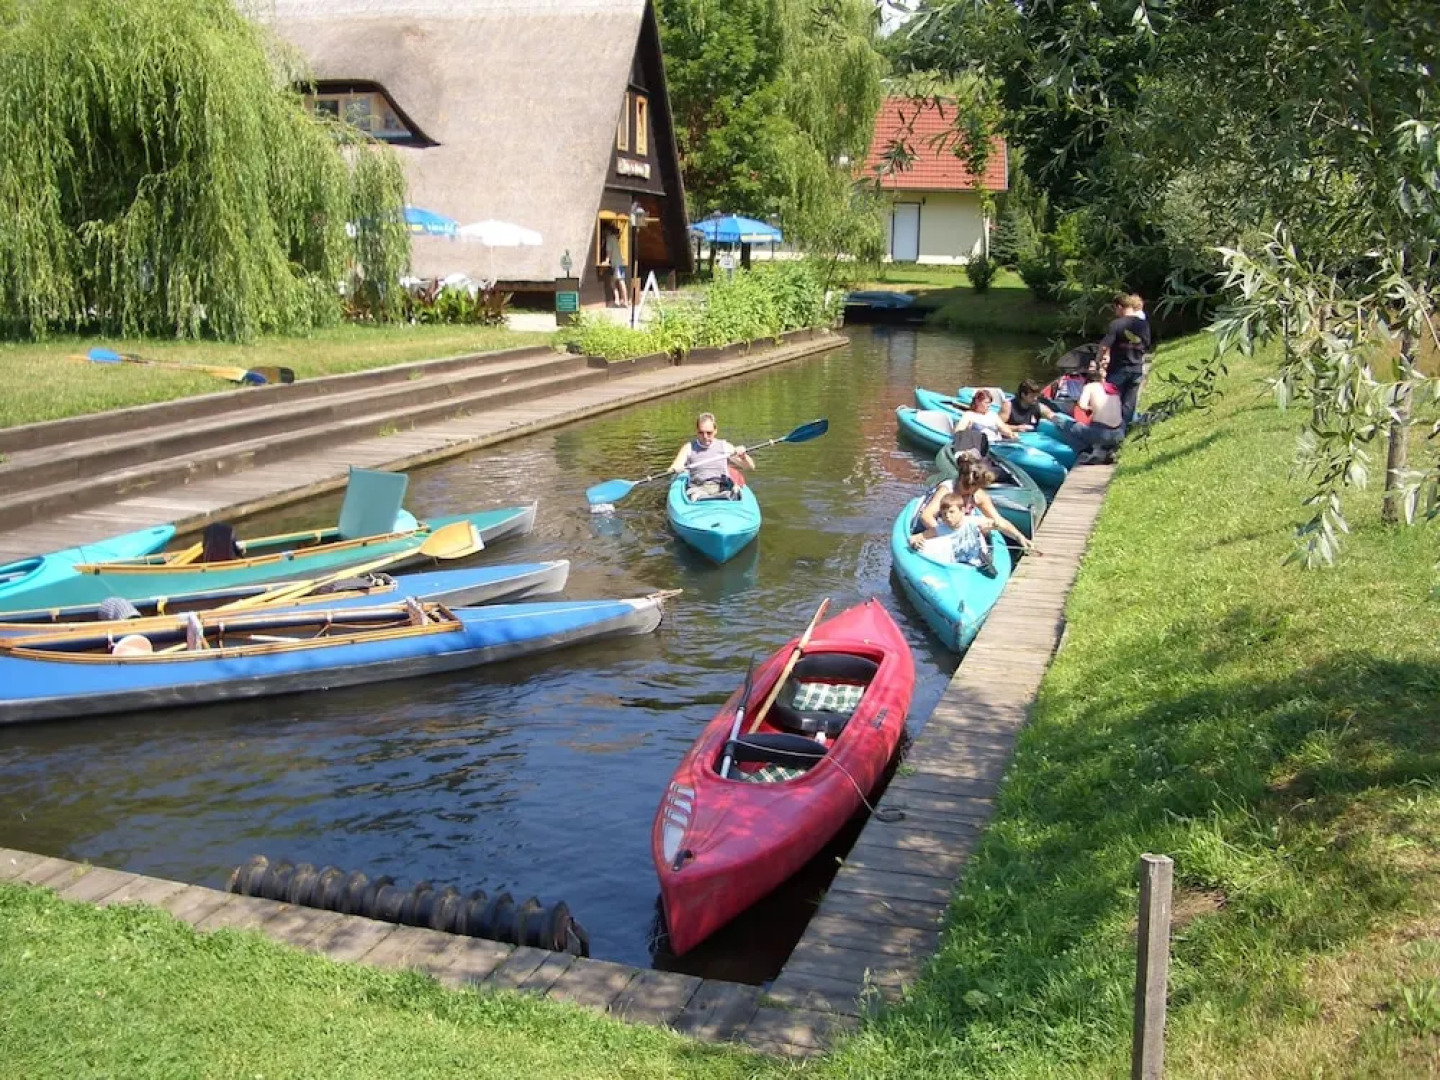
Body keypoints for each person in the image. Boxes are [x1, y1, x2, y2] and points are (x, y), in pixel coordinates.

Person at [915, 455, 1036, 556]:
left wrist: (1019, 536)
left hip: (960, 529)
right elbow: (927, 516)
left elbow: (998, 520)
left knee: (985, 527)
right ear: (960, 478)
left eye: (974, 488)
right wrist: (946, 533)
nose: (969, 492)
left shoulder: (978, 496)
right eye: (966, 487)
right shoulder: (947, 489)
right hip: (940, 527)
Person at [1046, 365, 1126, 463]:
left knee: (1066, 425)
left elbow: (1082, 405)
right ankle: (1107, 451)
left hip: (1101, 434)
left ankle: (1084, 452)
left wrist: (1090, 408)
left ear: (1086, 381)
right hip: (1120, 433)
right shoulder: (1112, 388)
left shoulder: (1089, 386)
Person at [908, 491, 997, 576]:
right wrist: (916, 542)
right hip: (955, 564)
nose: (947, 516)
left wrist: (990, 526)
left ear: (962, 511)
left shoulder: (972, 521)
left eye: (951, 512)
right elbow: (914, 538)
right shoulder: (940, 529)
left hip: (976, 562)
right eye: (944, 514)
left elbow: (994, 523)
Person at [669, 412, 755, 499]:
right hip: (698, 489)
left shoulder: (725, 447)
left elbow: (750, 467)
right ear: (697, 431)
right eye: (701, 433)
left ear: (715, 430)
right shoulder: (689, 448)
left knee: (734, 492)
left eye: (709, 433)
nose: (705, 436)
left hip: (722, 488)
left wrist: (744, 457)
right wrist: (675, 468)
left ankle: (730, 497)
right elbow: (674, 466)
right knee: (697, 496)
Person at [1096, 292, 1151, 426]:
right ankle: (1123, 430)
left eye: (1115, 308)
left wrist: (1098, 361)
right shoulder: (1144, 324)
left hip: (1118, 369)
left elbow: (1104, 346)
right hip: (1137, 368)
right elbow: (1147, 344)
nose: (1116, 312)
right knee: (1129, 403)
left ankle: (1111, 431)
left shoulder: (1116, 324)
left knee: (1112, 401)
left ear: (1120, 306)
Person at [953, 389, 1027, 441]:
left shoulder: (992, 415)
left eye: (990, 403)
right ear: (977, 402)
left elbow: (1004, 429)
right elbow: (958, 431)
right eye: (986, 403)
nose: (988, 405)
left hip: (996, 444)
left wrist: (1012, 434)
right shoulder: (969, 415)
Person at [603, 225, 628, 308]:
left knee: (619, 282)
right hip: (619, 263)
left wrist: (606, 261)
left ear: (608, 231)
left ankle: (624, 301)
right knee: (615, 282)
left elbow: (609, 251)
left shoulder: (609, 238)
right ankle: (619, 301)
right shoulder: (615, 238)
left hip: (616, 264)